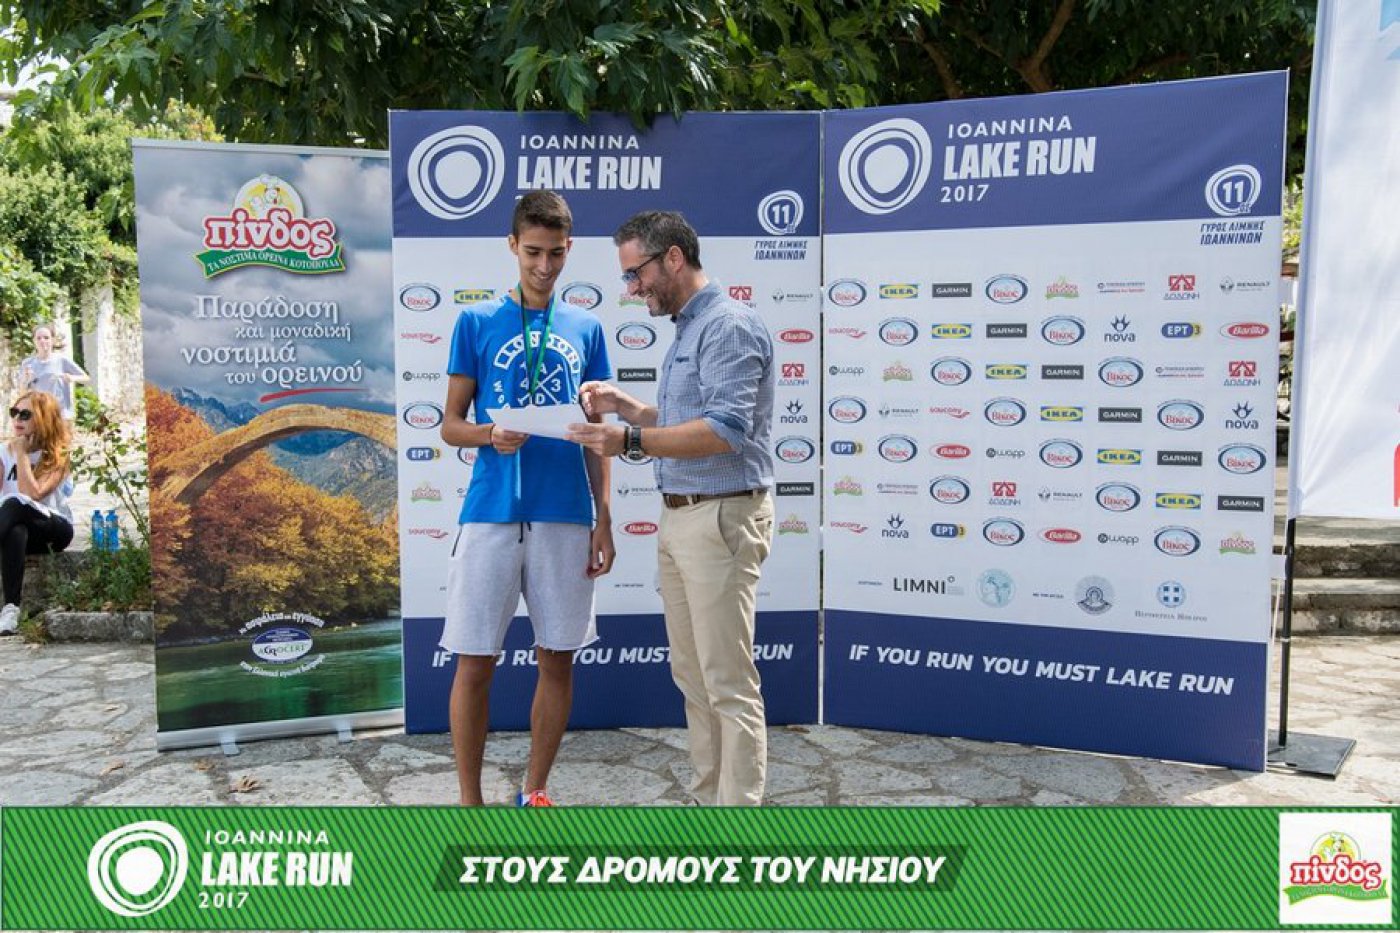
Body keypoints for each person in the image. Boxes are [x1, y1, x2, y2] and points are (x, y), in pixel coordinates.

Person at [568, 211, 775, 806]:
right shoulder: (691, 327)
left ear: (674, 258)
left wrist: (629, 440)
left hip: (719, 518)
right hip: (686, 518)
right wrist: (630, 408)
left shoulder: (727, 325)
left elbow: (725, 430)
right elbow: (690, 420)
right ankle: (709, 809)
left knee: (727, 684)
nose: (632, 289)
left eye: (636, 274)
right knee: (694, 680)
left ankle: (740, 830)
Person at [439, 190, 614, 807]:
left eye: (556, 254)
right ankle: (470, 803)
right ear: (513, 245)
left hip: (564, 514)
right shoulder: (476, 322)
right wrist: (488, 434)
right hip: (490, 512)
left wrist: (604, 519)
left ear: (570, 249)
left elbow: (598, 436)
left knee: (557, 659)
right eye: (534, 252)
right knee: (475, 662)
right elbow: (450, 425)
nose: (544, 266)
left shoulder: (587, 328)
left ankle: (535, 790)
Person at [0, 392, 74, 635]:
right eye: (14, 413)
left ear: (43, 418)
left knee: (14, 502)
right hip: (13, 526)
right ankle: (11, 609)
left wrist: (22, 454)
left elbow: (32, 494)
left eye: (25, 414)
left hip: (52, 527)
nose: (17, 419)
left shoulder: (57, 454)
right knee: (15, 531)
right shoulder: (3, 452)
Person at [19, 324, 89, 421]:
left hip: (61, 414)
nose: (42, 341)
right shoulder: (27, 363)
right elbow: (22, 393)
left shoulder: (62, 360)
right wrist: (26, 379)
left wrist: (72, 378)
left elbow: (85, 378)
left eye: (46, 338)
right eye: (38, 338)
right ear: (34, 341)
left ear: (53, 340)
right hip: (38, 414)